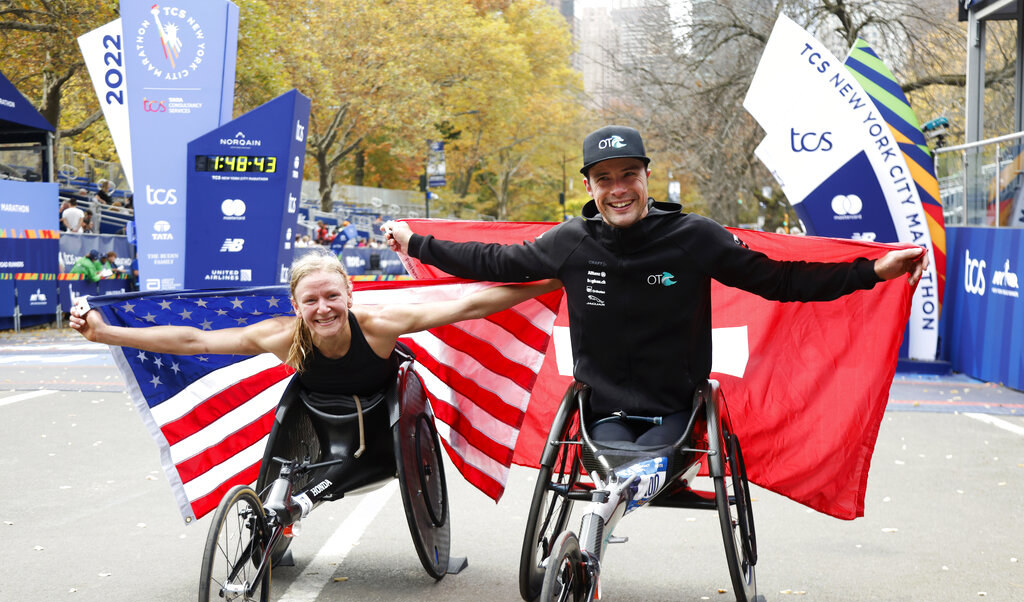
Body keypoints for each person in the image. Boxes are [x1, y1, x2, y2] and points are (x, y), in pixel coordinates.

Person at [383, 124, 929, 445]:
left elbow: (779, 280)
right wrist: (416, 243)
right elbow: (494, 260)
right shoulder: (572, 240)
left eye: (628, 176)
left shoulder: (693, 236)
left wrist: (871, 271)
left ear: (646, 176)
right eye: (605, 179)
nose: (618, 189)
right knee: (615, 463)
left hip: (676, 404)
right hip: (599, 405)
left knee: (645, 464)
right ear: (589, 186)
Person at [70, 249, 559, 402]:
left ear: (349, 295)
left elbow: (470, 306)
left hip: (381, 398)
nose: (323, 308)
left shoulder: (381, 324)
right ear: (295, 305)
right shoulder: (280, 335)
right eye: (311, 301)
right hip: (317, 403)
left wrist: (553, 279)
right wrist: (103, 332)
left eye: (331, 297)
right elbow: (193, 339)